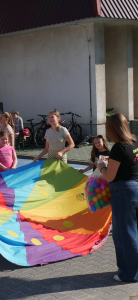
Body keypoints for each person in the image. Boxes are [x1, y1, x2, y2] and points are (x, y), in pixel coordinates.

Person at [97, 113, 138, 282]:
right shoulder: (135, 141)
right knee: (133, 231)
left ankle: (129, 274)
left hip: (123, 191)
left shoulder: (118, 148)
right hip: (135, 187)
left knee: (124, 234)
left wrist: (101, 167)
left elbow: (109, 177)